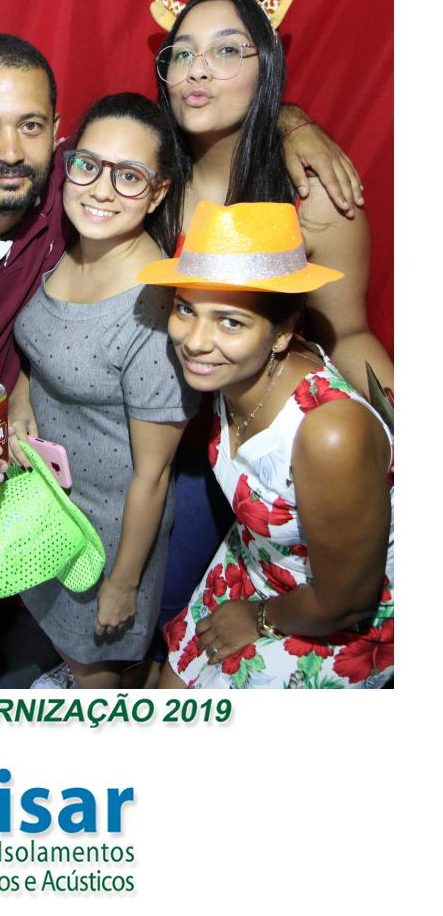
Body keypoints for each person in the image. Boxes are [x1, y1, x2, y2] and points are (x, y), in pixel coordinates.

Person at [0, 32, 365, 690]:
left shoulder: (103, 233)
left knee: (81, 647)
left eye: (30, 127)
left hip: (92, 507)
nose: (10, 150)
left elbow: (152, 476)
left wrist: (290, 120)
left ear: (55, 136)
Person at [149, 0, 394, 675]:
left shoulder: (308, 196)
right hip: (181, 430)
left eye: (229, 50)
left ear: (268, 69)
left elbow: (350, 333)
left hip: (273, 450)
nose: (199, 69)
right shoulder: (151, 176)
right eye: (182, 53)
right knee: (152, 619)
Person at [137, 200, 393, 689]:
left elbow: (350, 601)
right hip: (254, 559)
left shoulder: (329, 434)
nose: (195, 341)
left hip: (330, 611)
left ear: (282, 333)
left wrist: (257, 617)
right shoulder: (232, 371)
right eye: (186, 309)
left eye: (230, 321)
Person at [11, 94, 198, 688]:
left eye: (130, 176)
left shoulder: (154, 309)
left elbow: (153, 476)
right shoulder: (67, 245)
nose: (100, 189)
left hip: (109, 529)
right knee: (63, 643)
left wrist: (123, 584)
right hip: (53, 507)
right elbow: (43, 346)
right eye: (88, 165)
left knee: (97, 669)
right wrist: (21, 394)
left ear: (158, 192)